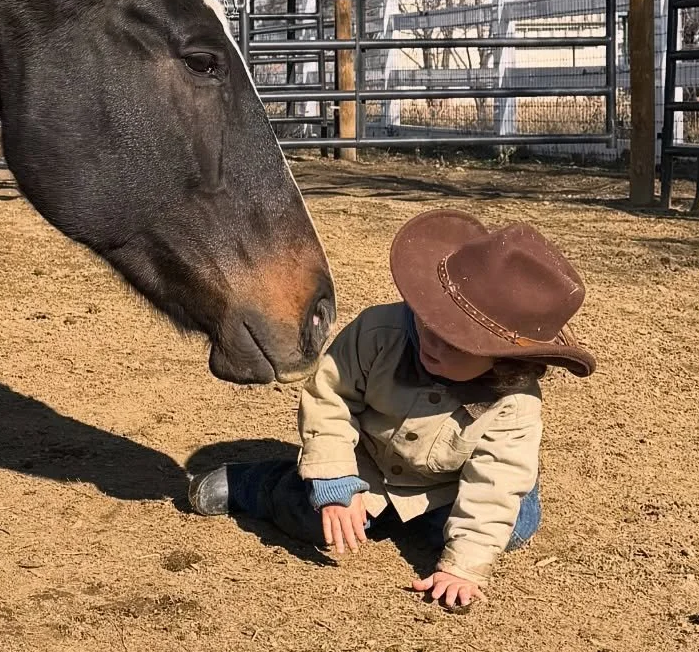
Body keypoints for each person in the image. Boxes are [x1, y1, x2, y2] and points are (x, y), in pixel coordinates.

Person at [187, 209, 594, 612]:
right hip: (369, 464)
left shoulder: (515, 404)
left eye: (456, 343)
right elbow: (330, 398)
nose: (433, 342)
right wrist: (336, 484)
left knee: (510, 528)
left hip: (449, 486)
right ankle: (255, 482)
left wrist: (463, 568)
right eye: (428, 321)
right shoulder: (379, 332)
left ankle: (417, 522)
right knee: (313, 518)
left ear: (504, 360)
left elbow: (494, 484)